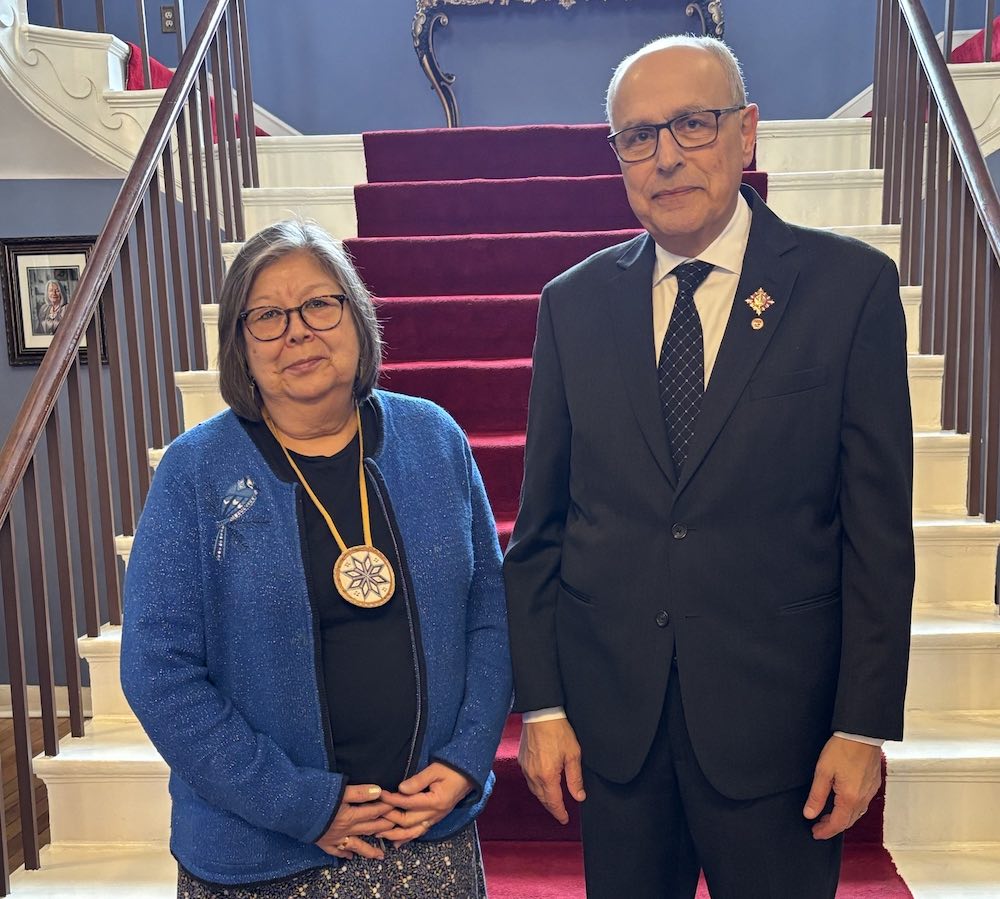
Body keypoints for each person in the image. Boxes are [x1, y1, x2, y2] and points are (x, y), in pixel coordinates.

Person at [503, 35, 914, 899]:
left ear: (746, 133)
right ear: (617, 157)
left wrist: (862, 724)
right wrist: (541, 707)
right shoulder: (571, 306)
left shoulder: (850, 290)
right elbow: (541, 530)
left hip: (784, 734)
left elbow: (878, 534)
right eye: (638, 136)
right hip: (618, 735)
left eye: (692, 123)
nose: (667, 156)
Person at [121, 219, 511, 897]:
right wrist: (300, 804)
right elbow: (158, 672)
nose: (297, 330)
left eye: (319, 304)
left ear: (356, 317)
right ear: (240, 345)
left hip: (427, 837)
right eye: (267, 316)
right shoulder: (194, 471)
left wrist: (469, 756)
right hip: (263, 856)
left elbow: (491, 610)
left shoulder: (434, 438)